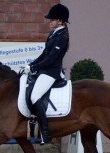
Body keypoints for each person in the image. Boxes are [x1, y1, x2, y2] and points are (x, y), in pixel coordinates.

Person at [23, 3, 70, 144]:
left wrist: (34, 68)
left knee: (35, 96)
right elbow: (44, 54)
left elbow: (51, 59)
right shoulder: (54, 33)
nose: (49, 21)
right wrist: (31, 65)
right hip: (45, 70)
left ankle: (45, 133)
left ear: (60, 21)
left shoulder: (63, 37)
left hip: (51, 72)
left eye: (52, 19)